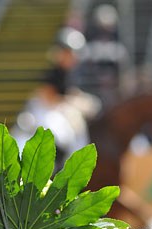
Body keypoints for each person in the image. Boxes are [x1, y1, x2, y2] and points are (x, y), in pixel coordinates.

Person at [12, 27, 101, 172]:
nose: (74, 58)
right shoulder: (52, 71)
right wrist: (72, 101)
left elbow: (68, 92)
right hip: (43, 110)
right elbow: (49, 96)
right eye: (70, 54)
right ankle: (51, 172)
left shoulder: (68, 73)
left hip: (56, 110)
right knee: (62, 137)